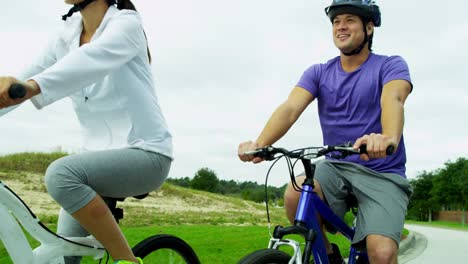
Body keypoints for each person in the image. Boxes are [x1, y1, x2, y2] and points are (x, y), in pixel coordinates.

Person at [238, 1, 413, 263]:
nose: (341, 26)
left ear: (369, 27)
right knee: (296, 192)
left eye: (349, 20)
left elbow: (393, 99)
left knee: (382, 252)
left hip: (381, 170)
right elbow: (290, 108)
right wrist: (260, 144)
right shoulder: (319, 72)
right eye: (336, 21)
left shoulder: (391, 65)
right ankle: (328, 255)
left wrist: (387, 137)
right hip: (335, 165)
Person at [0, 1, 172, 263]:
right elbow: (24, 78)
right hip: (93, 163)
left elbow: (91, 59)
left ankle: (126, 259)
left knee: (59, 175)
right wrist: (17, 88)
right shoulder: (66, 35)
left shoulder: (126, 24)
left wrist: (33, 87)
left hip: (147, 154)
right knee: (64, 255)